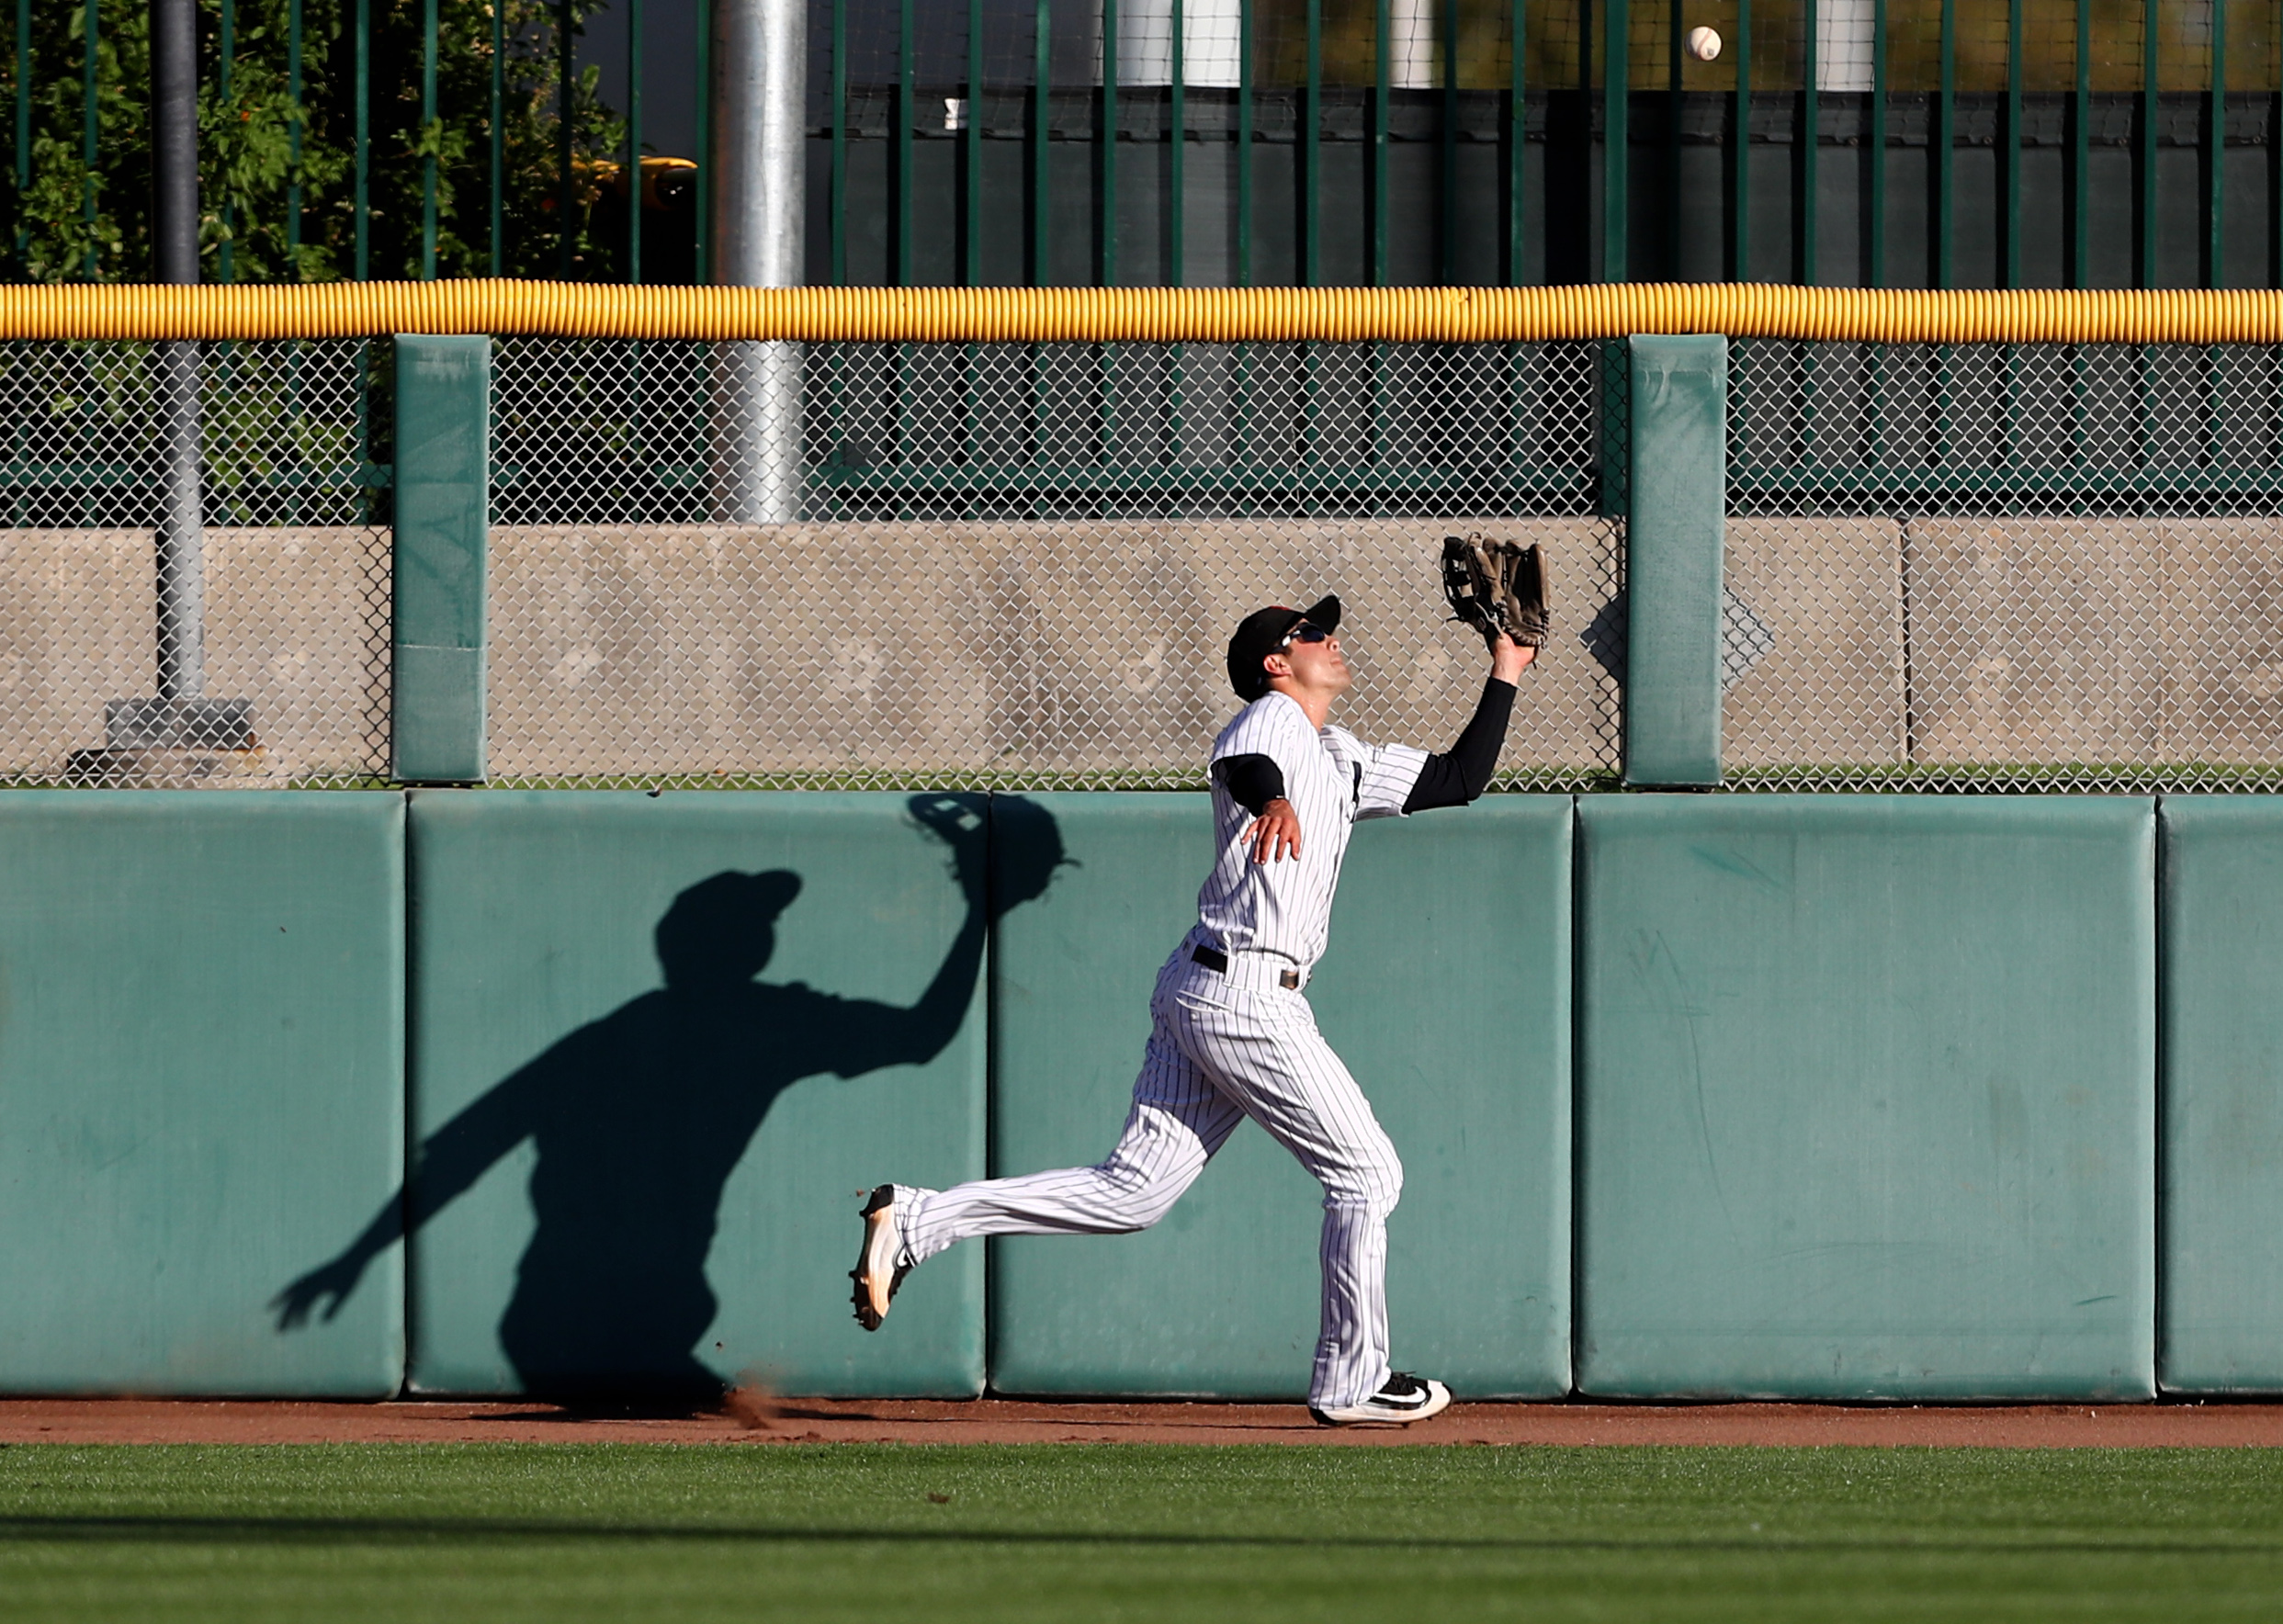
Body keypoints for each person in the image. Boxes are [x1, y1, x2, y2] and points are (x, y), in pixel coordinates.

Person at [850, 594, 1533, 1426]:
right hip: (1245, 994)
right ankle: (1351, 1379)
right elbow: (1248, 768)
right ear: (1277, 662)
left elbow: (1458, 780)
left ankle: (920, 1217)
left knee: (1132, 1192)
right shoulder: (1270, 720)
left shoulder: (1340, 754)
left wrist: (1505, 670)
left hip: (1206, 988)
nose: (1331, 640)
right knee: (1366, 1174)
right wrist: (1271, 802)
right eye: (1313, 633)